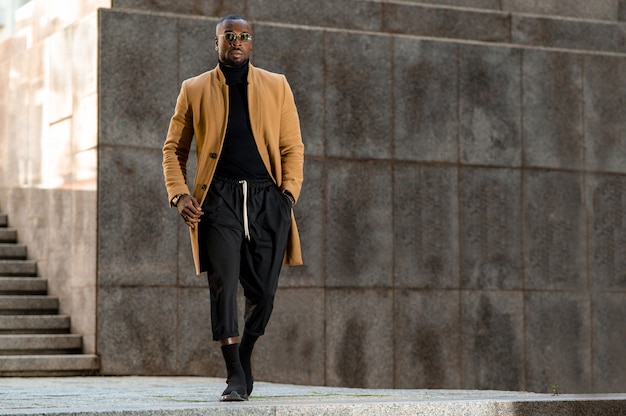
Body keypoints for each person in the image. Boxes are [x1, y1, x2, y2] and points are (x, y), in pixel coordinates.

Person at [162, 14, 304, 402]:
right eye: (229, 36)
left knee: (265, 293)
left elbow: (292, 146)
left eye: (243, 36)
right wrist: (179, 194)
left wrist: (287, 195)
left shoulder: (276, 86)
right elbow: (174, 150)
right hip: (218, 200)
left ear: (251, 43)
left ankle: (245, 353)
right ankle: (234, 374)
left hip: (267, 199)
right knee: (224, 285)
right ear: (217, 43)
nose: (236, 42)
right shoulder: (194, 88)